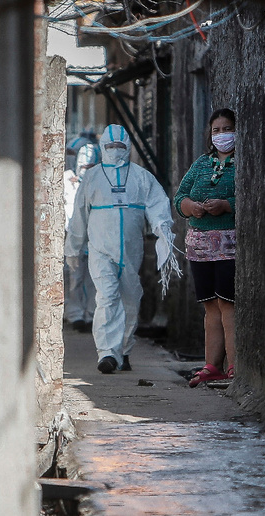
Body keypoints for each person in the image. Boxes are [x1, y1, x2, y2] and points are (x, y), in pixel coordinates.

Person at [65, 124, 179, 374]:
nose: (115, 150)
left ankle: (124, 349)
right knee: (106, 297)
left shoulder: (141, 177)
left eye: (119, 146)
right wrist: (73, 248)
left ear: (127, 147)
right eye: (110, 146)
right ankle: (106, 353)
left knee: (130, 298)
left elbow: (157, 204)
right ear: (103, 147)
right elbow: (79, 216)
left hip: (131, 251)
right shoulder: (92, 177)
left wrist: (162, 229)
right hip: (100, 250)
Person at [174, 108, 238, 388]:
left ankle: (234, 366)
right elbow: (180, 197)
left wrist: (226, 205)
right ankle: (212, 365)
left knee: (227, 303)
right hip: (200, 246)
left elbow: (248, 196)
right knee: (210, 305)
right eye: (216, 130)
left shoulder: (242, 163)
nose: (222, 135)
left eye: (227, 129)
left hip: (229, 243)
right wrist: (191, 207)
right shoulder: (201, 164)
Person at [63, 144, 100, 332]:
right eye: (84, 167)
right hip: (74, 237)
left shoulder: (99, 184)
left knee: (93, 279)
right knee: (75, 278)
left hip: (93, 239)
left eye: (91, 167)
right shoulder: (68, 183)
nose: (87, 170)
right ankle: (75, 314)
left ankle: (90, 314)